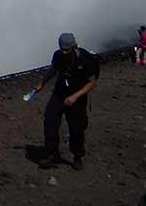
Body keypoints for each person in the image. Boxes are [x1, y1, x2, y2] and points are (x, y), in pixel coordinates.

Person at [32, 32, 99, 171]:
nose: (64, 52)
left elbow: (92, 82)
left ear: (74, 46)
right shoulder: (58, 56)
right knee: (50, 121)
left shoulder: (84, 59)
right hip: (60, 93)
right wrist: (42, 83)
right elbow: (53, 69)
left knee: (77, 128)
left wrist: (75, 96)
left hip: (77, 97)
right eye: (62, 48)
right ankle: (52, 154)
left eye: (67, 49)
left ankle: (77, 156)